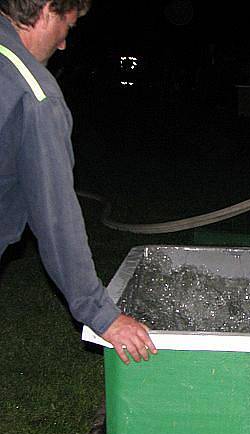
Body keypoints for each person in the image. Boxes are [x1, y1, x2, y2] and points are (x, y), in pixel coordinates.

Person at [0, 0, 155, 364]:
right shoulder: (35, 97)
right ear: (47, 9)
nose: (63, 43)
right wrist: (103, 314)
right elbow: (56, 217)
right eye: (66, 27)